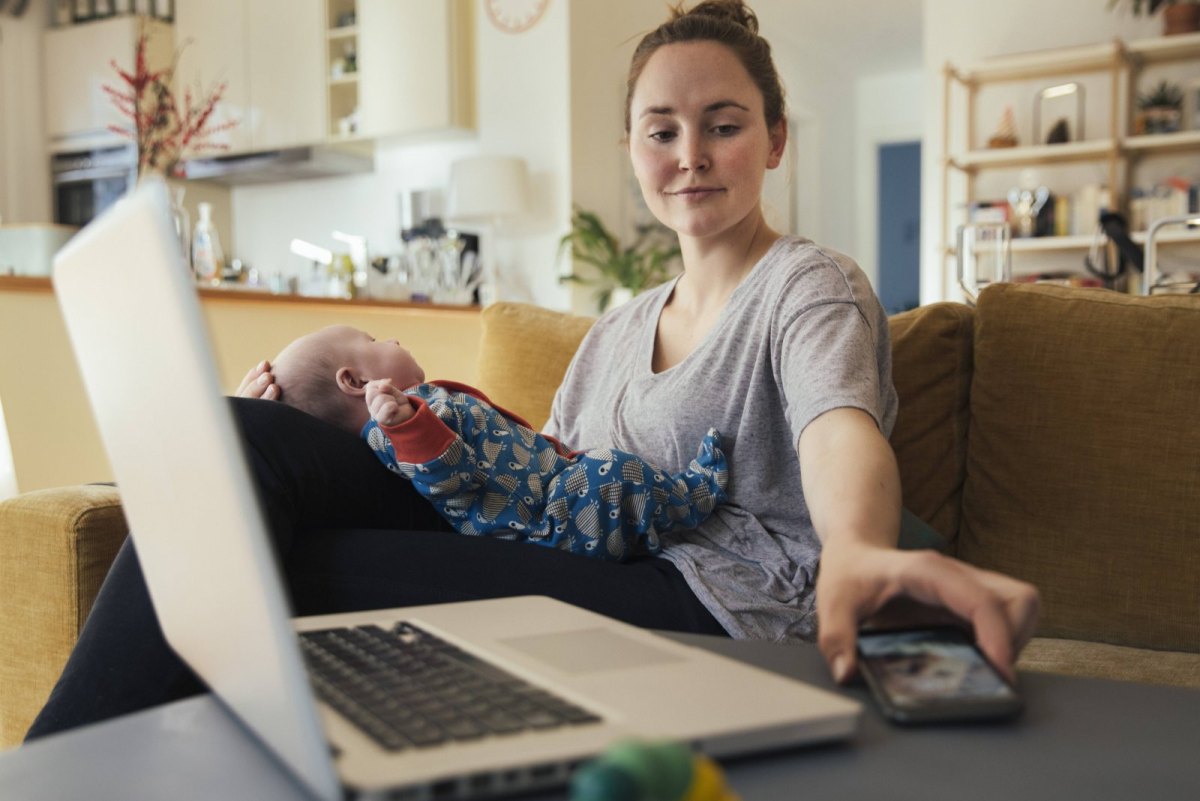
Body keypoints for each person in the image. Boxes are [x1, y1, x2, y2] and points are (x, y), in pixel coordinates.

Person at [26, 0, 1038, 741]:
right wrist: (305, 426)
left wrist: (856, 549)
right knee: (238, 445)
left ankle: (63, 774)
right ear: (633, 149)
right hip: (593, 557)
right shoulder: (614, 331)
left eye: (724, 125)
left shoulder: (807, 285)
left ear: (773, 139)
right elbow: (525, 482)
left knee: (268, 565)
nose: (692, 154)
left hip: (723, 598)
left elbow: (837, 424)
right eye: (663, 131)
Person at [269, 324, 729, 562]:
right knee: (613, 472)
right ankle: (691, 497)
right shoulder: (391, 432)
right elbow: (453, 479)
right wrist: (405, 425)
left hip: (553, 489)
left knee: (600, 471)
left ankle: (651, 523)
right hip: (540, 526)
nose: (390, 337)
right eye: (370, 339)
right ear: (356, 380)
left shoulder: (419, 405)